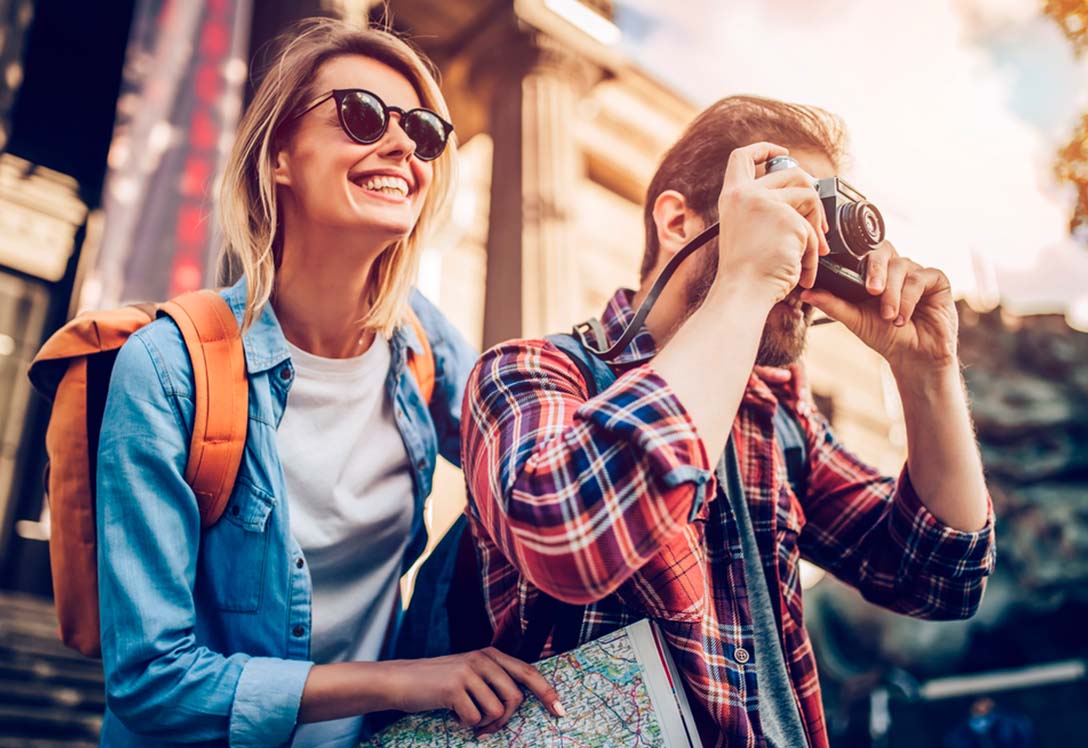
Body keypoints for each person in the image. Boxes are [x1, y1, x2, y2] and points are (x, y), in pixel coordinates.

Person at [460, 95, 996, 748]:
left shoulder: (775, 418)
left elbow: (939, 577)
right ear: (678, 221)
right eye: (791, 215)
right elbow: (571, 540)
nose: (805, 258)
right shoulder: (531, 373)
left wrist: (927, 375)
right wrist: (745, 280)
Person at [95, 18, 560, 748]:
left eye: (426, 132)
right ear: (279, 155)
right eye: (362, 116)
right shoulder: (166, 368)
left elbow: (544, 482)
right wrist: (416, 679)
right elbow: (151, 680)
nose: (403, 146)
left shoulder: (423, 346)